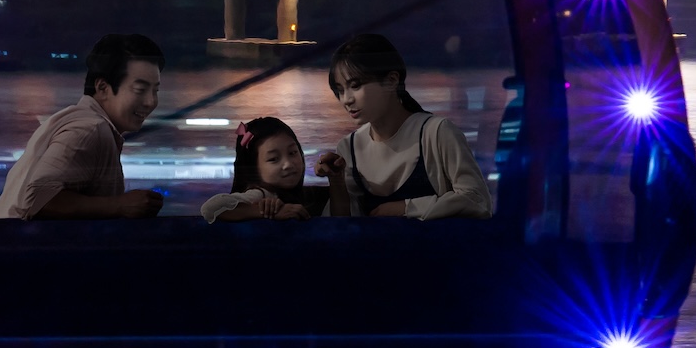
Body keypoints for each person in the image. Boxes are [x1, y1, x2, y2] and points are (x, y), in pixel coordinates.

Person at [312, 32, 493, 219]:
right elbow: (343, 226)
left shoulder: (436, 134)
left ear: (391, 80)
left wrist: (406, 207)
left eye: (356, 86)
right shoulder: (349, 147)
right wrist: (336, 180)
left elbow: (477, 200)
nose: (346, 100)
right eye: (340, 91)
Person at [0, 34, 165, 220]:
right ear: (103, 88)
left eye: (155, 91)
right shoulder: (90, 130)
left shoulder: (74, 121)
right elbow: (36, 200)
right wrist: (119, 205)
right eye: (140, 90)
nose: (150, 101)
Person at [202, 116, 330, 222]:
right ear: (254, 167)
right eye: (273, 159)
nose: (288, 164)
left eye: (292, 153)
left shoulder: (300, 193)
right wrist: (264, 212)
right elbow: (210, 208)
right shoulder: (262, 194)